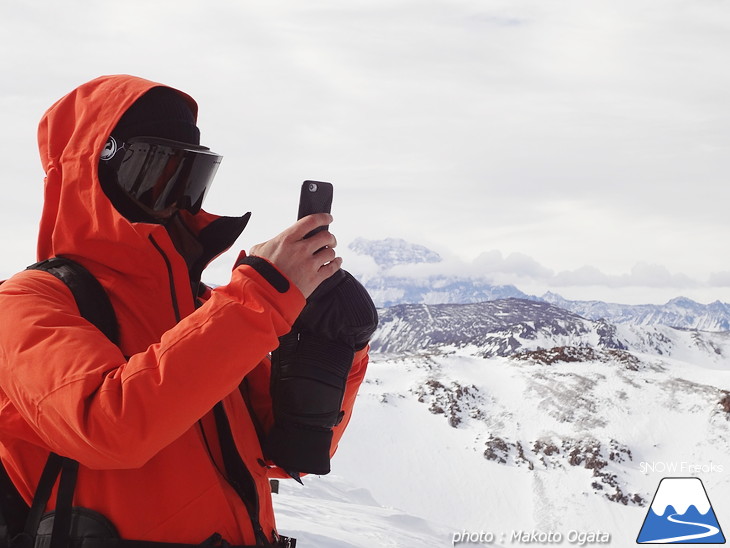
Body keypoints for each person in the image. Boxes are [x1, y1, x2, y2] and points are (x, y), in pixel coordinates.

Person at [0, 75, 377, 547]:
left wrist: (331, 348)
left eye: (189, 176)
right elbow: (107, 428)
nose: (175, 197)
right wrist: (261, 297)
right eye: (154, 172)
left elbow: (289, 448)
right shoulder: (28, 302)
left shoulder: (204, 311)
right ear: (89, 172)